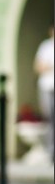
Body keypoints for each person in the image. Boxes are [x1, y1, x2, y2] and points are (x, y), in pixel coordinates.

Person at [35, 25, 54, 162]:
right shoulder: (46, 46)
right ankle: (51, 151)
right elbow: (38, 66)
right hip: (47, 87)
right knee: (49, 119)